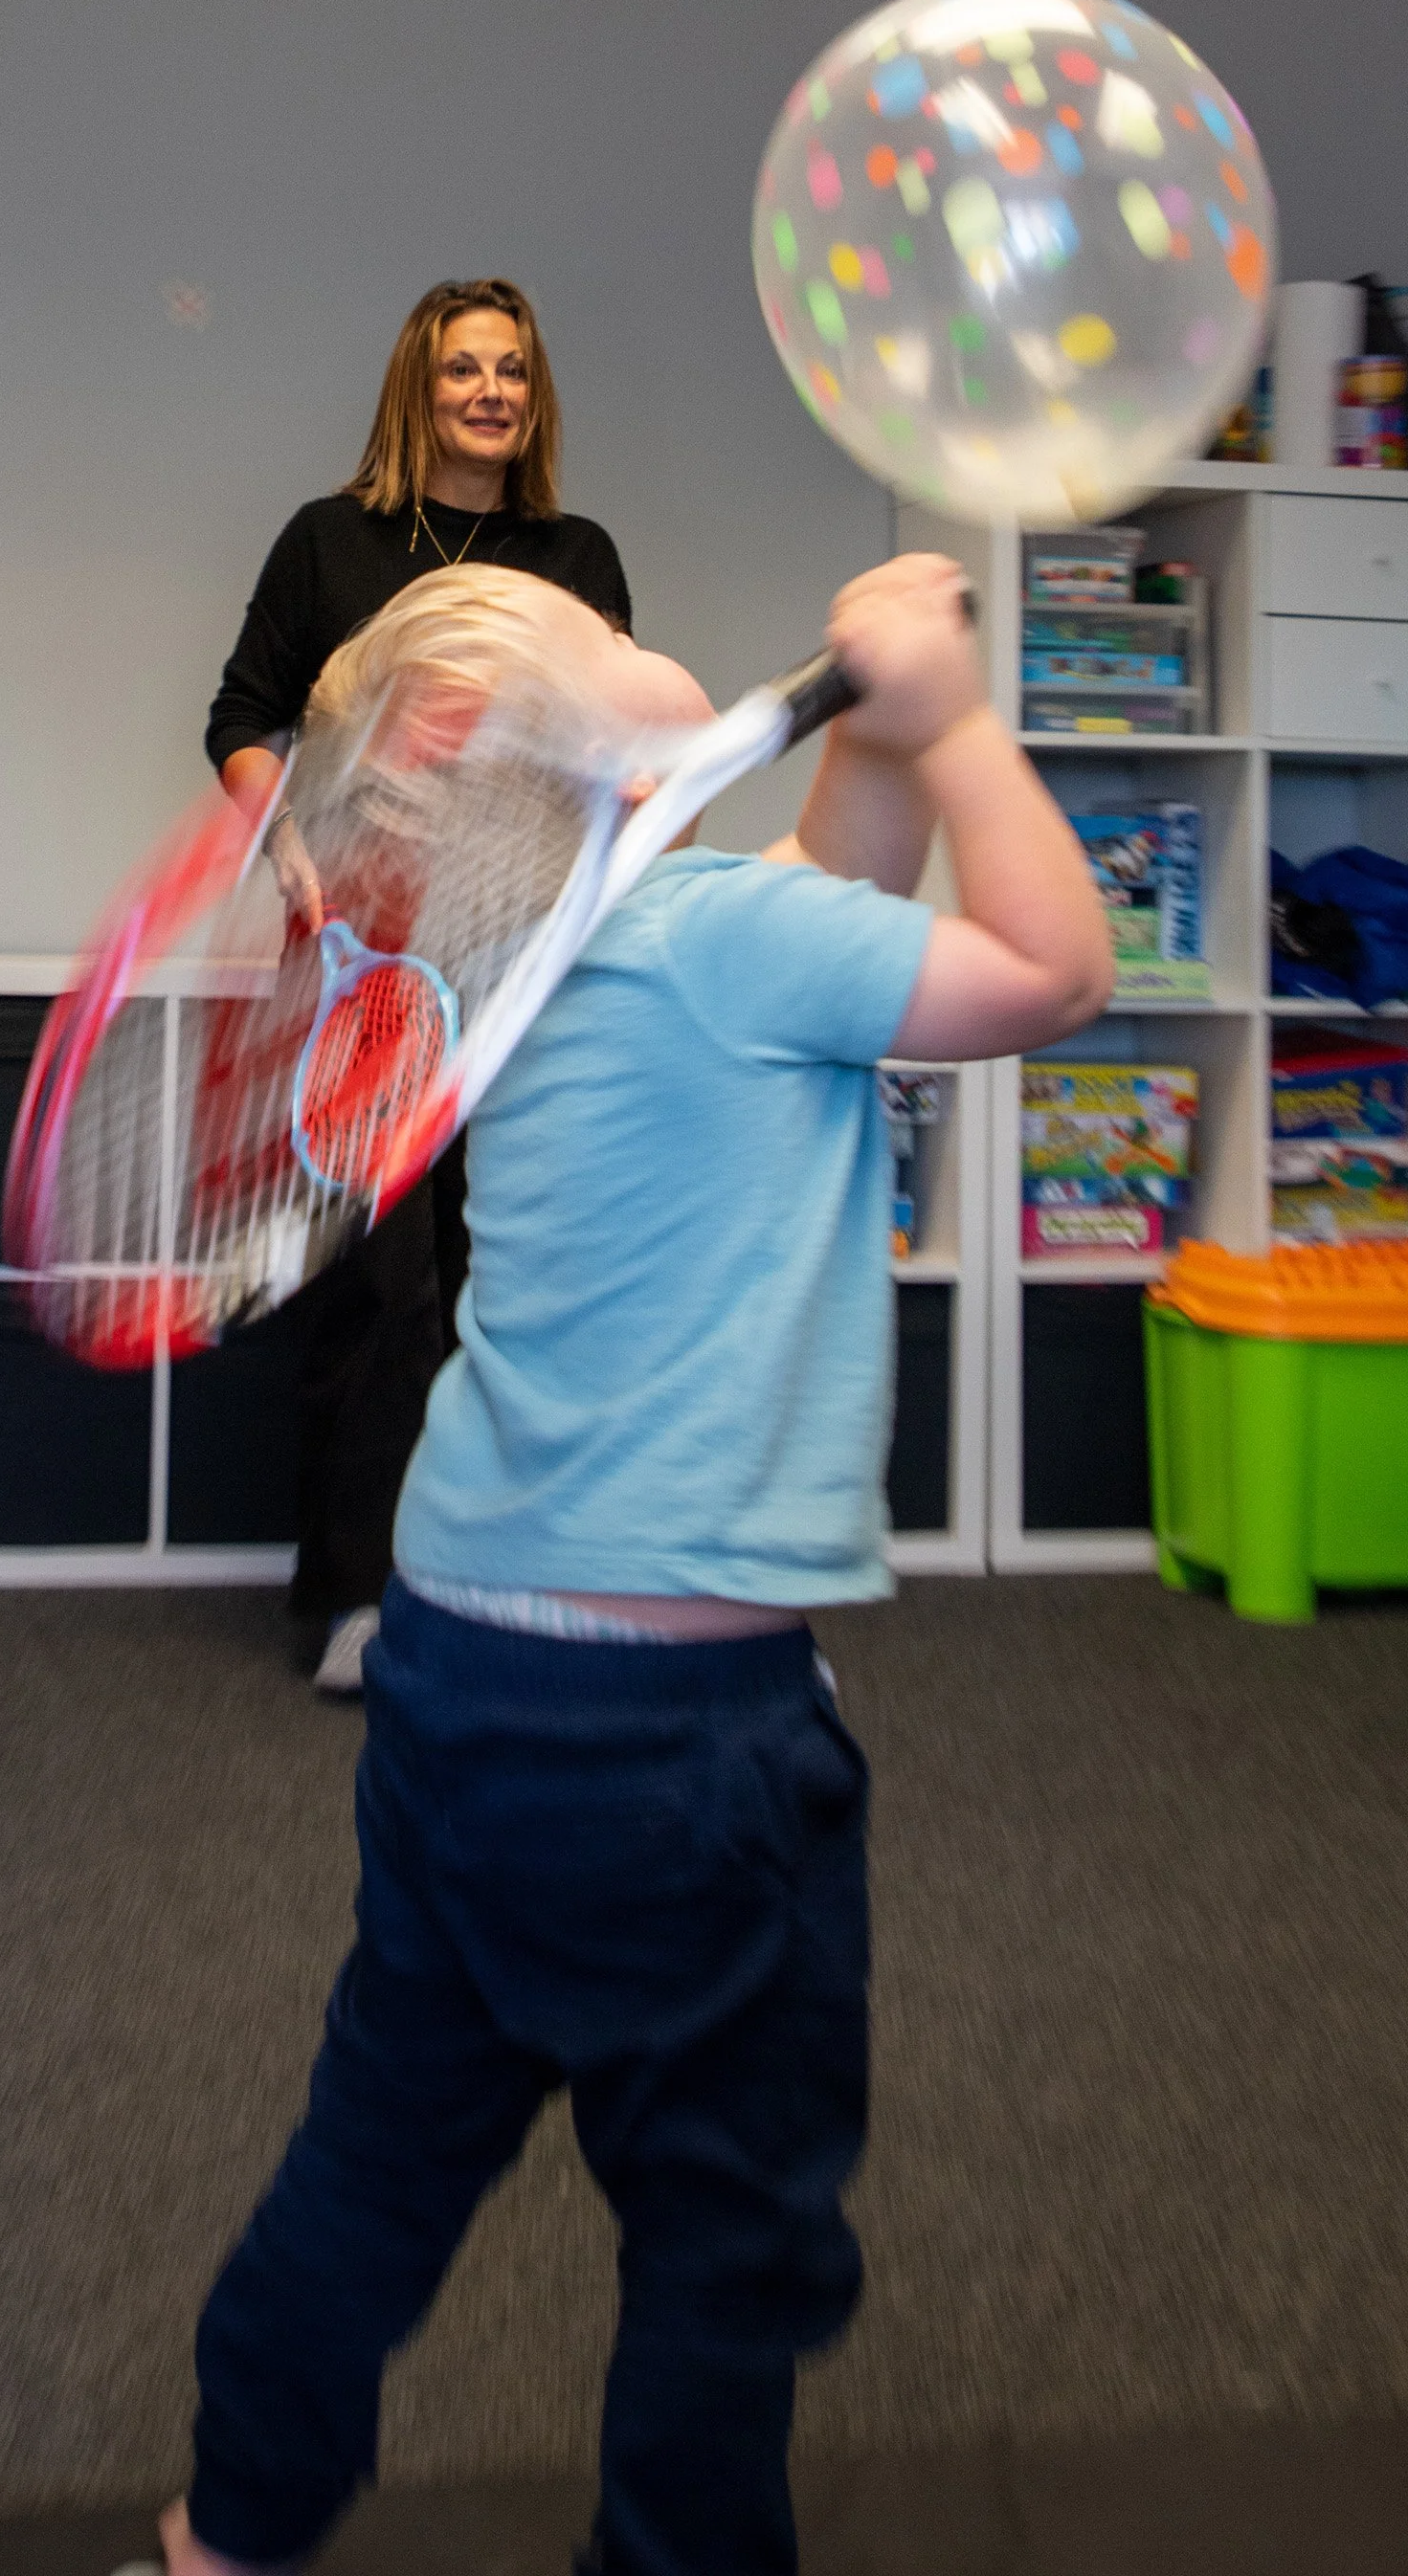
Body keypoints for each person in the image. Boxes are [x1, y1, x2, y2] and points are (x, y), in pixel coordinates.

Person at [161, 554, 1113, 2576]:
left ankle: (228, 2529)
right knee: (728, 2221)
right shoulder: (716, 936)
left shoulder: (548, 956)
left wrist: (859, 735)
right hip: (675, 1738)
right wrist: (945, 723)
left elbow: (822, 903)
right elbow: (1045, 973)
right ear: (563, 751)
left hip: (459, 1672)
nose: (641, 617)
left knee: (385, 2147)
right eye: (594, 636)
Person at [206, 278, 633, 1696]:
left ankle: (501, 1584)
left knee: (512, 1283)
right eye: (466, 369)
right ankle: (350, 1599)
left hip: (521, 974)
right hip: (362, 979)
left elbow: (614, 741)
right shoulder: (329, 543)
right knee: (379, 1292)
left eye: (514, 369)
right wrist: (289, 850)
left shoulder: (574, 556)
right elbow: (243, 717)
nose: (493, 391)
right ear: (420, 386)